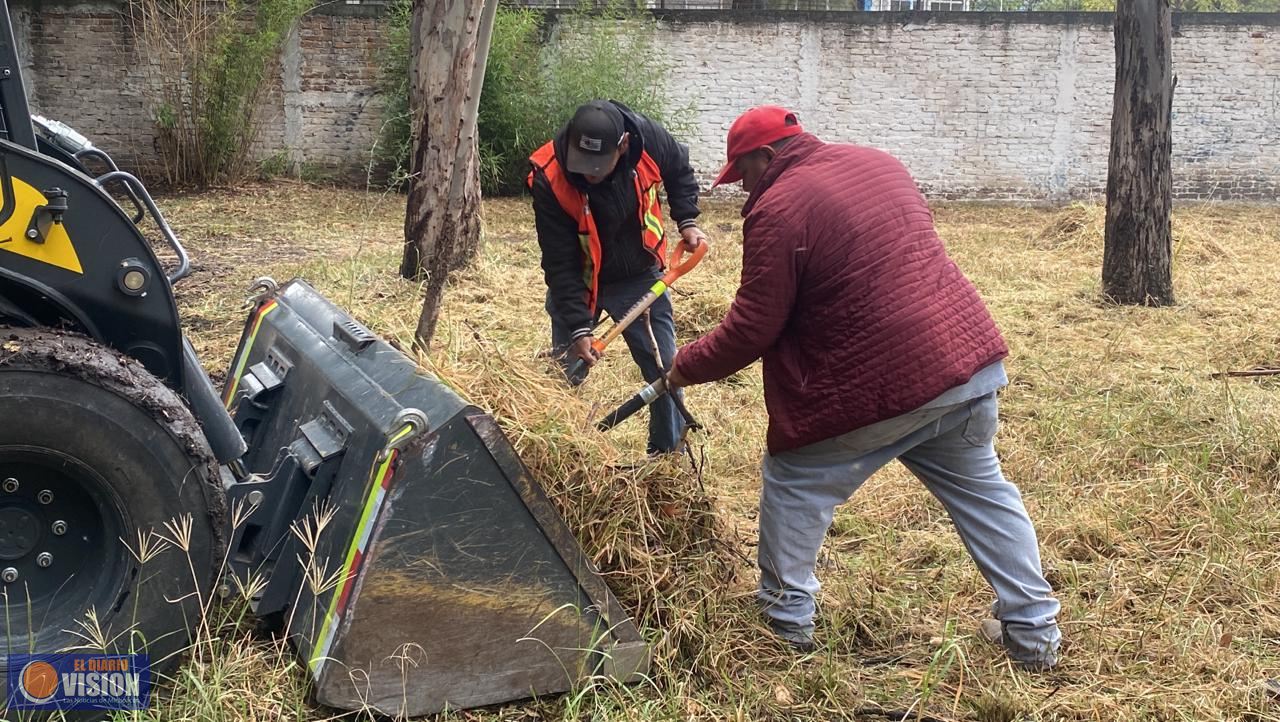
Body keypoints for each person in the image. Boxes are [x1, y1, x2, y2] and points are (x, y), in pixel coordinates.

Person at [665, 105, 1062, 669]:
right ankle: (1034, 634)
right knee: (985, 494)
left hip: (878, 381)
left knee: (796, 481)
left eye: (743, 174)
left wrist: (682, 368)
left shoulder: (778, 207)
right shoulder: (880, 162)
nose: (742, 188)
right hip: (961, 362)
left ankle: (785, 627)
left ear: (768, 157)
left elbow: (753, 326)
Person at [527, 99, 706, 455]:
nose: (588, 175)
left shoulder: (648, 140)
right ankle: (558, 452)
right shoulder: (550, 175)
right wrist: (579, 327)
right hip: (580, 279)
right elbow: (559, 261)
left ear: (623, 146)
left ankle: (665, 457)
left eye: (598, 167)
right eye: (583, 165)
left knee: (664, 370)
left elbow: (679, 169)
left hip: (639, 275)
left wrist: (686, 218)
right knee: (566, 369)